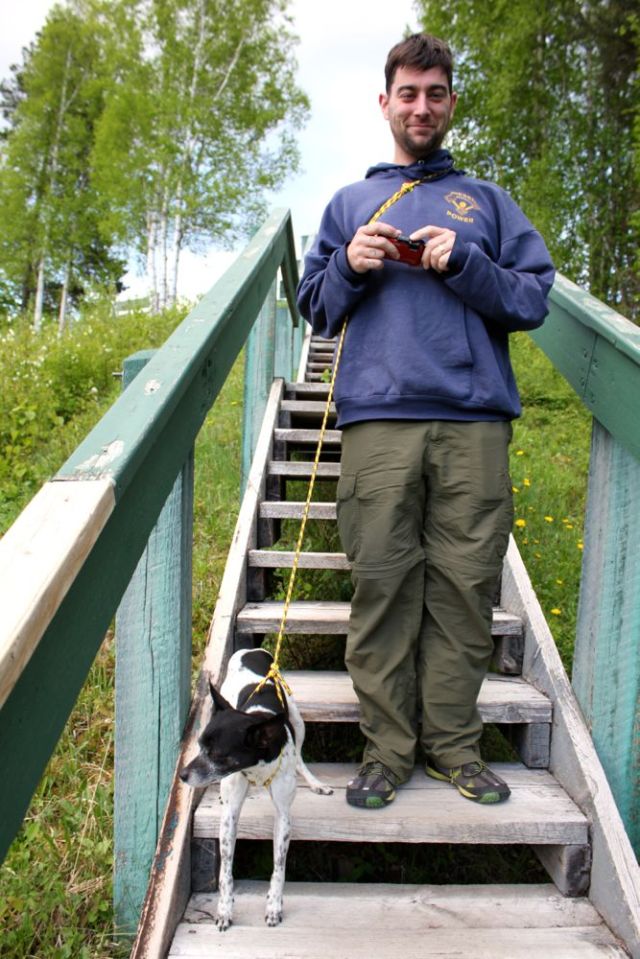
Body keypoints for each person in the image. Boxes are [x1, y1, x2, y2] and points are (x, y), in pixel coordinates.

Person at [296, 33, 555, 809]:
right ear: (385, 102)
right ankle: (385, 752)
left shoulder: (490, 203)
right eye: (407, 93)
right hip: (377, 421)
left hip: (474, 423)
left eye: (434, 93)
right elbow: (314, 306)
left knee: (465, 591)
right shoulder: (350, 203)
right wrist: (349, 264)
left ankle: (453, 747)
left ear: (450, 103)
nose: (421, 106)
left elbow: (533, 298)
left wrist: (466, 262)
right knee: (382, 588)